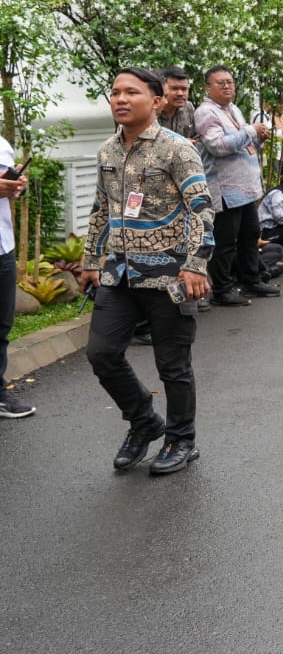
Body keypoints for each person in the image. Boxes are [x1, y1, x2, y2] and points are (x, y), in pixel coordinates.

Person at [79, 68, 215, 474]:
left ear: (155, 101)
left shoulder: (177, 150)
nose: (120, 99)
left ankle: (181, 439)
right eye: (115, 92)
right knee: (101, 354)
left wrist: (195, 266)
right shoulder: (107, 151)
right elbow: (102, 209)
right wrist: (90, 261)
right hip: (119, 274)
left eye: (131, 92)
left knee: (172, 365)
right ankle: (144, 421)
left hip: (170, 276)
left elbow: (202, 210)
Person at [194, 66, 280, 306]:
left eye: (230, 82)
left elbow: (241, 142)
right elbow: (217, 146)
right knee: (224, 242)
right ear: (207, 88)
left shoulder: (232, 109)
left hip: (245, 188)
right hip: (225, 189)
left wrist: (256, 139)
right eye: (219, 83)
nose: (227, 86)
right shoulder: (206, 112)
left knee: (250, 235)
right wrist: (251, 131)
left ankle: (251, 279)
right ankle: (222, 290)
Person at [0, 135, 34, 418]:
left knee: (1, 325)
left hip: (3, 245)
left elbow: (8, 192)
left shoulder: (2, 143)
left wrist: (15, 187)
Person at [156, 66, 197, 142]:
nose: (180, 93)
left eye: (184, 89)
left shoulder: (188, 107)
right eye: (174, 88)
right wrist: (180, 143)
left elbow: (196, 137)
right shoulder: (153, 110)